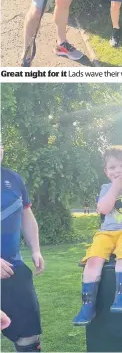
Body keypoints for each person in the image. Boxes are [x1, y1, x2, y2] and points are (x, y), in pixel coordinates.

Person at [73, 146, 122, 325]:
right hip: (106, 233)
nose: (117, 171)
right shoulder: (106, 188)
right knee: (93, 261)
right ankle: (87, 305)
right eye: (112, 168)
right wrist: (115, 187)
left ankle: (121, 297)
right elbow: (104, 209)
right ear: (106, 172)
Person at [1, 142, 45, 352]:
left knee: (29, 334)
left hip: (13, 267)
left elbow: (26, 214)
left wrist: (35, 249)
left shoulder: (13, 178)